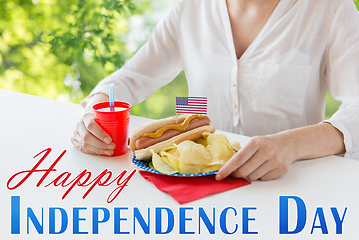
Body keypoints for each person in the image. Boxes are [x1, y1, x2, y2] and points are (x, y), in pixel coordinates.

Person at [71, 0, 359, 181]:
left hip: (290, 190)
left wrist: (290, 144)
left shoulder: (331, 8)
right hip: (197, 191)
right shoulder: (190, 9)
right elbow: (130, 78)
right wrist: (92, 112)